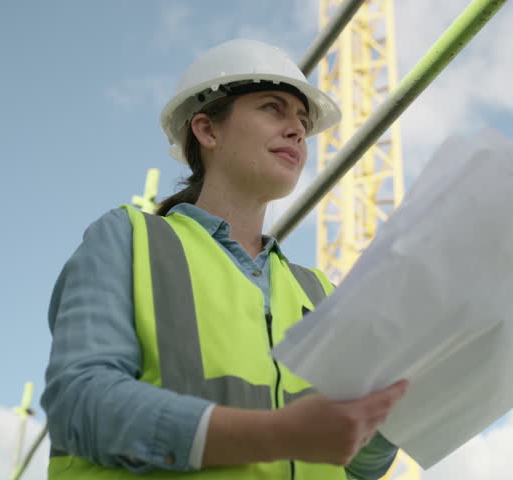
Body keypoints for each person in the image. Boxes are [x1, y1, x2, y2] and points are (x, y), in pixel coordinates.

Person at [41, 39, 409, 480]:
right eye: (274, 108)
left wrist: (392, 410)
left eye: (303, 122)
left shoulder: (318, 292)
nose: (297, 130)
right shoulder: (128, 239)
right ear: (207, 130)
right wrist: (275, 434)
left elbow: (355, 467)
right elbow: (81, 405)